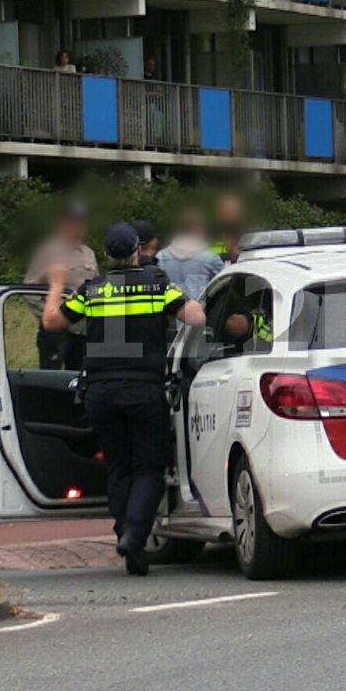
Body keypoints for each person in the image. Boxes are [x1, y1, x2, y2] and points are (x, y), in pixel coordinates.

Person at [40, 223, 205, 575]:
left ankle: (128, 540)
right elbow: (195, 316)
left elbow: (53, 321)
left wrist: (56, 285)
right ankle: (134, 534)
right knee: (148, 468)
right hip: (144, 389)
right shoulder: (155, 285)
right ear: (137, 251)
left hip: (100, 392)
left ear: (105, 256)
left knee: (118, 465)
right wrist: (178, 294)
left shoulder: (92, 290)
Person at [23, 201, 98, 370]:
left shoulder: (88, 253)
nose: (79, 225)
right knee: (52, 378)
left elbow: (94, 288)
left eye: (82, 221)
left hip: (82, 330)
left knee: (80, 378)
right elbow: (29, 289)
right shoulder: (47, 251)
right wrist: (49, 317)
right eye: (74, 221)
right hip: (56, 332)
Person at [159, 209, 225, 301]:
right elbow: (226, 282)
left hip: (171, 311)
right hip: (199, 311)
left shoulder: (161, 257)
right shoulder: (210, 257)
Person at [211, 192, 244, 264]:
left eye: (233, 209)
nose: (229, 213)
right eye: (226, 209)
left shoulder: (248, 237)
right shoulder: (212, 237)